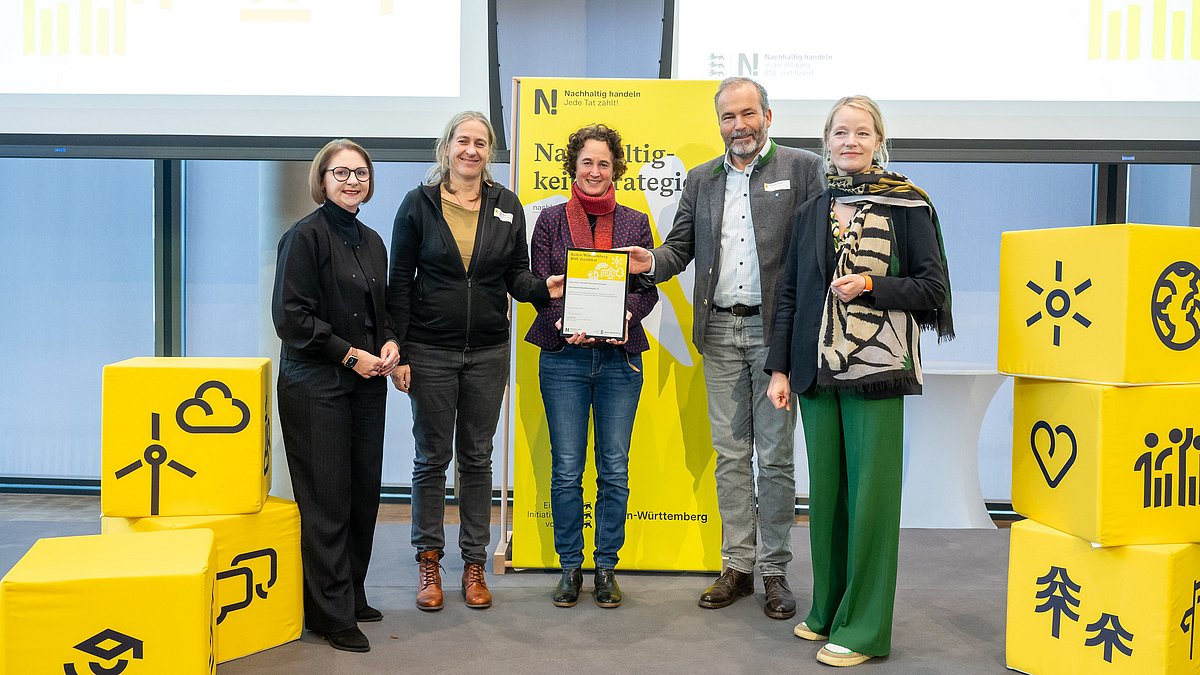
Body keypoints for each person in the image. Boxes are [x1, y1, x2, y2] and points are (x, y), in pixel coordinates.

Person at [624, 77, 823, 619]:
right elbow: (680, 247)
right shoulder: (702, 179)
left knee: (775, 457)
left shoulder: (804, 168)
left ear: (768, 116)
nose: (739, 125)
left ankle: (775, 571)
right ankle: (738, 564)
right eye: (728, 117)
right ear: (719, 123)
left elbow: (817, 250)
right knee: (731, 456)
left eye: (748, 113)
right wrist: (651, 262)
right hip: (718, 332)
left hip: (775, 335)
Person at [766, 95, 953, 667]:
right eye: (841, 132)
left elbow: (932, 290)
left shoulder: (908, 205)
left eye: (862, 132)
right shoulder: (813, 210)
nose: (851, 141)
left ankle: (865, 629)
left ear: (879, 142)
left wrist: (872, 286)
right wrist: (780, 368)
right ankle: (829, 608)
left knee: (870, 501)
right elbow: (791, 294)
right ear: (827, 141)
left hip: (878, 372)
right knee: (826, 499)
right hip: (816, 373)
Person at [387, 111, 563, 612]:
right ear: (447, 147)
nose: (471, 150)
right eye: (462, 141)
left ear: (489, 152)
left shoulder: (507, 205)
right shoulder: (418, 204)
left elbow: (517, 276)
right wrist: (399, 349)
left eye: (480, 143)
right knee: (430, 459)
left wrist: (544, 289)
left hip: (488, 351)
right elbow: (399, 281)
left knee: (477, 459)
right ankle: (428, 560)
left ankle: (473, 564)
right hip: (430, 350)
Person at [525, 124, 659, 608]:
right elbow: (539, 284)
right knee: (566, 469)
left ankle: (605, 567)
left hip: (620, 360)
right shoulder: (550, 221)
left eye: (604, 163)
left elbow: (647, 289)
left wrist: (626, 315)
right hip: (564, 358)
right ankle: (569, 568)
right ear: (573, 166)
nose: (595, 171)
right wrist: (564, 322)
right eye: (587, 162)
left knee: (614, 469)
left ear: (615, 168)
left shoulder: (635, 222)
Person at [272, 138, 397, 653]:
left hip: (366, 385)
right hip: (316, 386)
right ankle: (329, 613)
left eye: (360, 173)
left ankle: (350, 592)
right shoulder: (303, 237)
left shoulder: (372, 240)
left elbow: (382, 310)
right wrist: (349, 356)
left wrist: (391, 343)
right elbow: (291, 319)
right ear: (321, 180)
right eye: (341, 173)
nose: (352, 181)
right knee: (326, 500)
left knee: (362, 494)